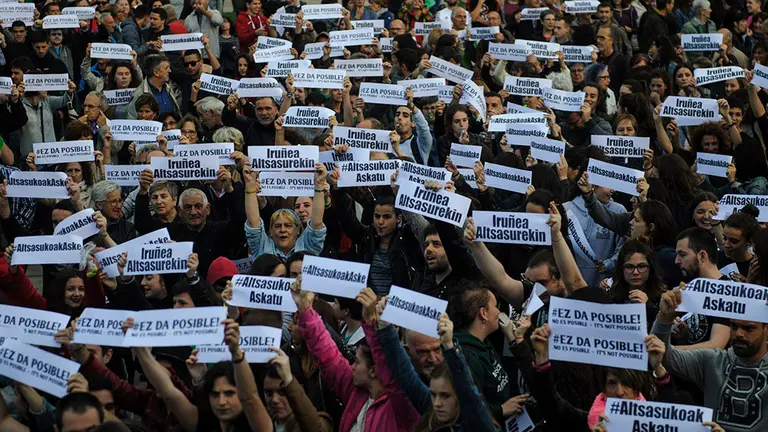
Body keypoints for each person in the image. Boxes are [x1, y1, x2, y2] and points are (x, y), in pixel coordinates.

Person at [652, 287, 768, 430]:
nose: (738, 334)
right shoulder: (712, 361)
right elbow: (661, 356)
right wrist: (665, 317)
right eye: (734, 326)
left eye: (748, 328)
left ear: (766, 330)